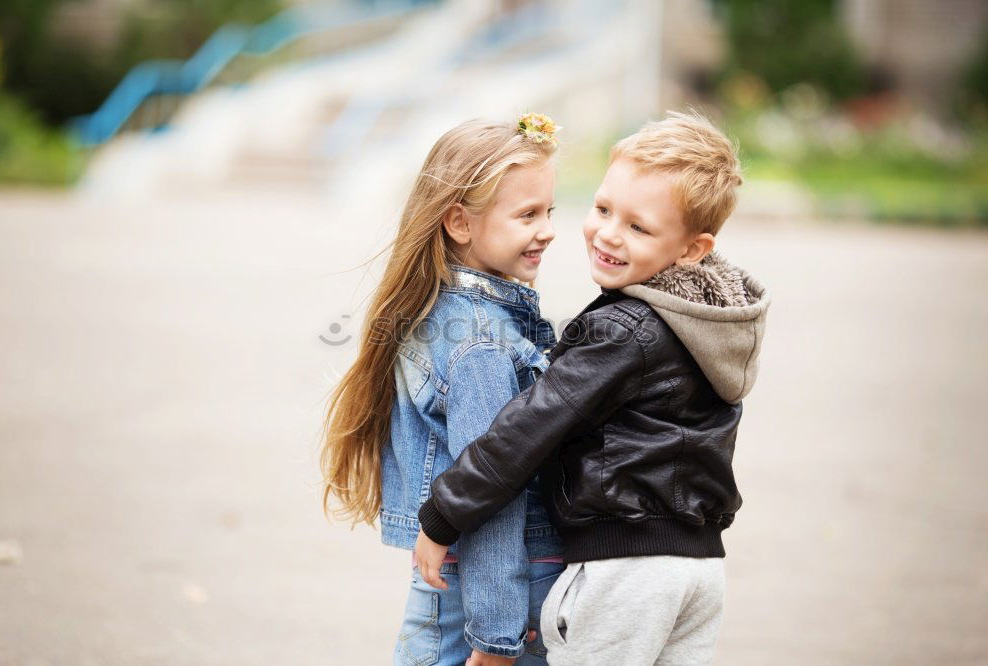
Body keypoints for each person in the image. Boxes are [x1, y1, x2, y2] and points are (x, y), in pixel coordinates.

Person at [415, 111, 772, 665]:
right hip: (697, 571)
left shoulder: (624, 331)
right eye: (604, 209)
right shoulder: (704, 322)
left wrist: (444, 514)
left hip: (624, 570)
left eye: (639, 227)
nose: (608, 233)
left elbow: (525, 429)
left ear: (692, 249)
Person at [320, 114, 567, 665]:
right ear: (460, 223)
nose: (547, 229)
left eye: (549, 211)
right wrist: (497, 640)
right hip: (492, 591)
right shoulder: (480, 344)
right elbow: (493, 491)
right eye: (528, 214)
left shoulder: (452, 313)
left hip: (470, 585)